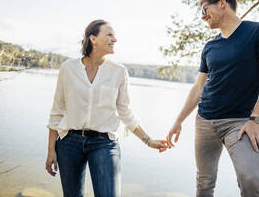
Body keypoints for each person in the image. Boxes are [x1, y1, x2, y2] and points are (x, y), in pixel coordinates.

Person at [166, 0, 259, 197]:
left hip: (240, 123)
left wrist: (256, 119)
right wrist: (178, 120)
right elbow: (199, 87)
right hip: (205, 122)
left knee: (251, 180)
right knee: (204, 183)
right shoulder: (210, 46)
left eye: (204, 9)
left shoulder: (257, 32)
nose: (202, 16)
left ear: (221, 3)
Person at [45, 19, 168, 197]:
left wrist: (148, 141)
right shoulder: (68, 68)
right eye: (109, 35)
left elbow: (125, 112)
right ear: (93, 39)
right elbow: (57, 112)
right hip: (69, 143)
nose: (114, 40)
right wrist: (50, 150)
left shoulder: (119, 72)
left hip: (104, 143)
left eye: (114, 36)